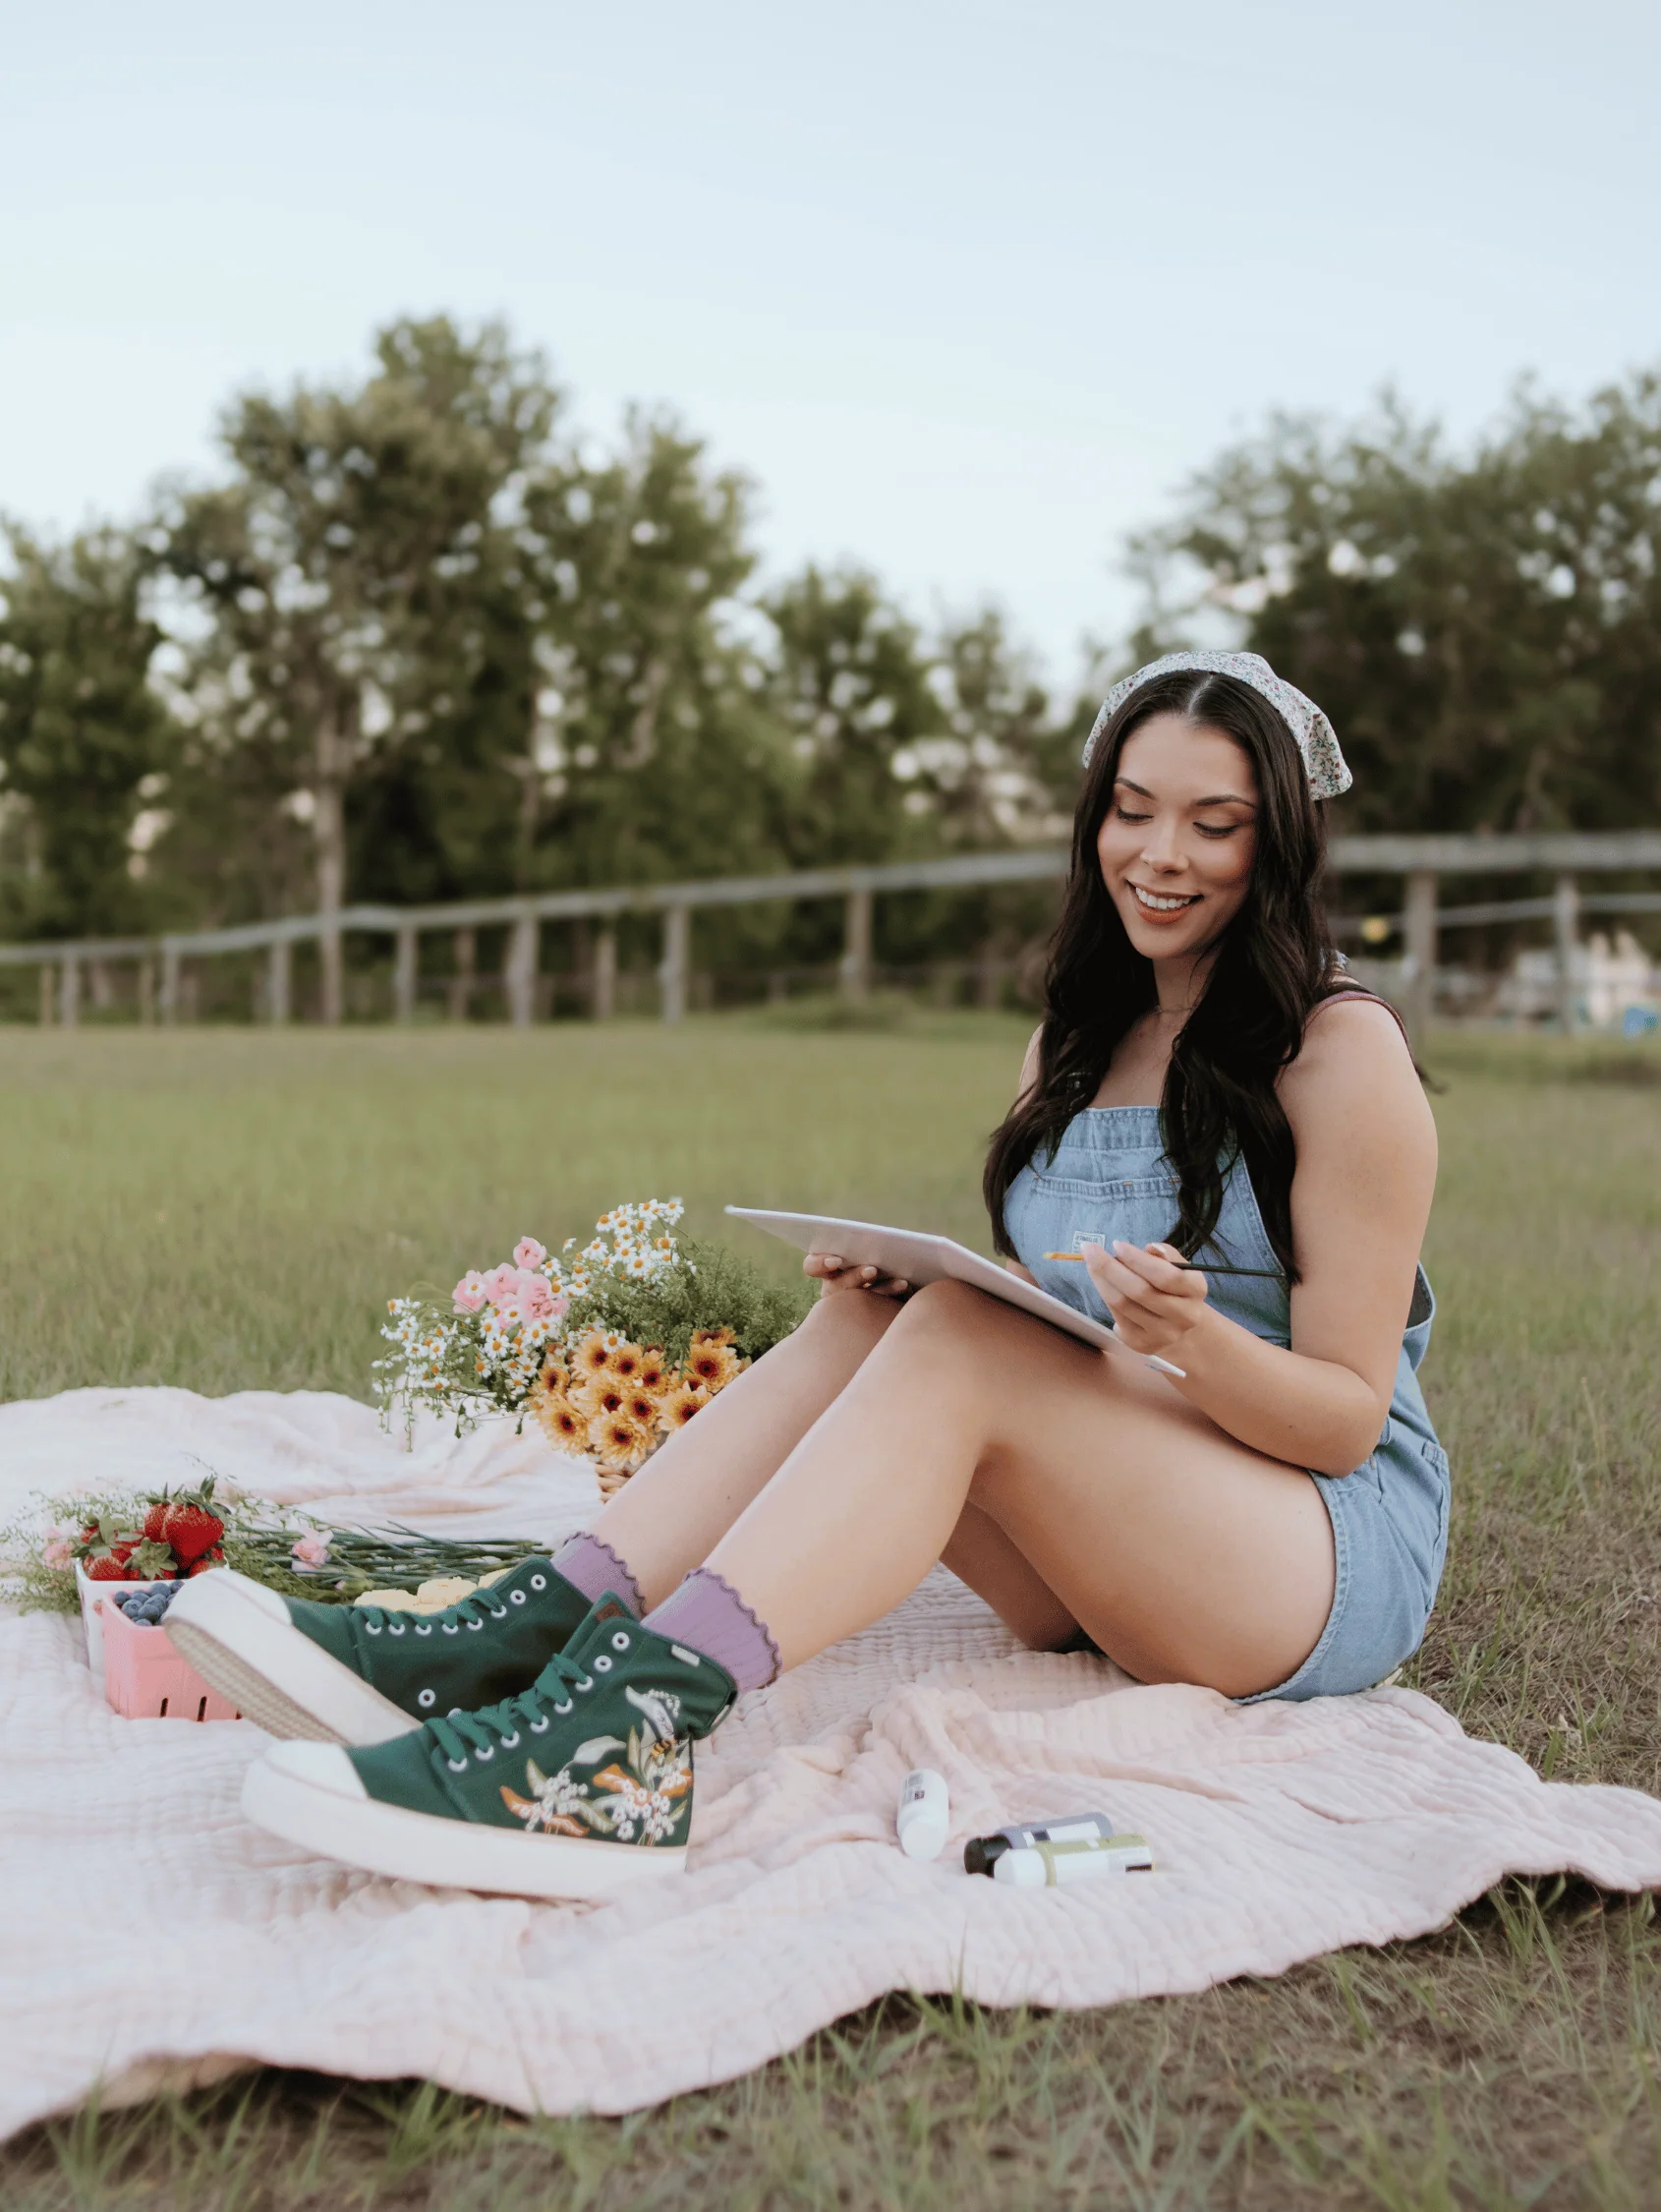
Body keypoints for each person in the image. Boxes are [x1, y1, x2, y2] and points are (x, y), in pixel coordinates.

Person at [171, 651, 1449, 1901]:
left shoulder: (1338, 1056)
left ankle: (620, 1740)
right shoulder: (1071, 1038)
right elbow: (1045, 1323)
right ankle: (518, 1633)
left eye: (1211, 823)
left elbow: (1343, 1418)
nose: (1158, 854)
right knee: (887, 1321)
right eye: (1131, 809)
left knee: (953, 1338)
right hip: (1122, 1543)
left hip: (1311, 1556)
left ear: (1275, 839)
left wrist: (1193, 1339)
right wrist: (899, 1294)